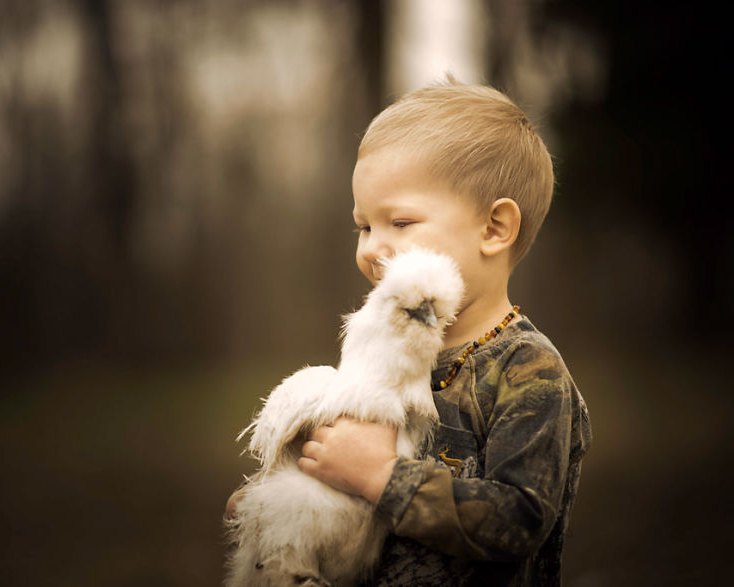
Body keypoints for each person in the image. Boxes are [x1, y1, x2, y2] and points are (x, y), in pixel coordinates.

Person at [225, 77, 592, 586]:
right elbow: (343, 469)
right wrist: (283, 497)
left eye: (399, 223)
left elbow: (520, 518)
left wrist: (382, 477)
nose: (371, 248)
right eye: (363, 227)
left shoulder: (528, 369)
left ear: (494, 228)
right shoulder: (388, 352)